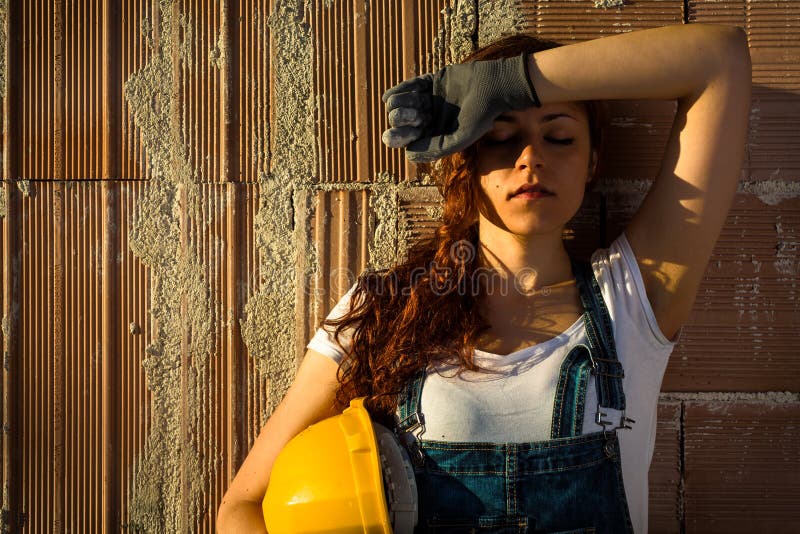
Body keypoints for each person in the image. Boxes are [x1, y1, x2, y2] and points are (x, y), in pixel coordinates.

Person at [217, 23, 751, 533]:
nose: (530, 159)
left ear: (593, 162)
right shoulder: (387, 309)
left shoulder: (633, 302)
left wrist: (501, 84)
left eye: (560, 137)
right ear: (465, 161)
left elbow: (721, 61)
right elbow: (244, 506)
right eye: (499, 136)